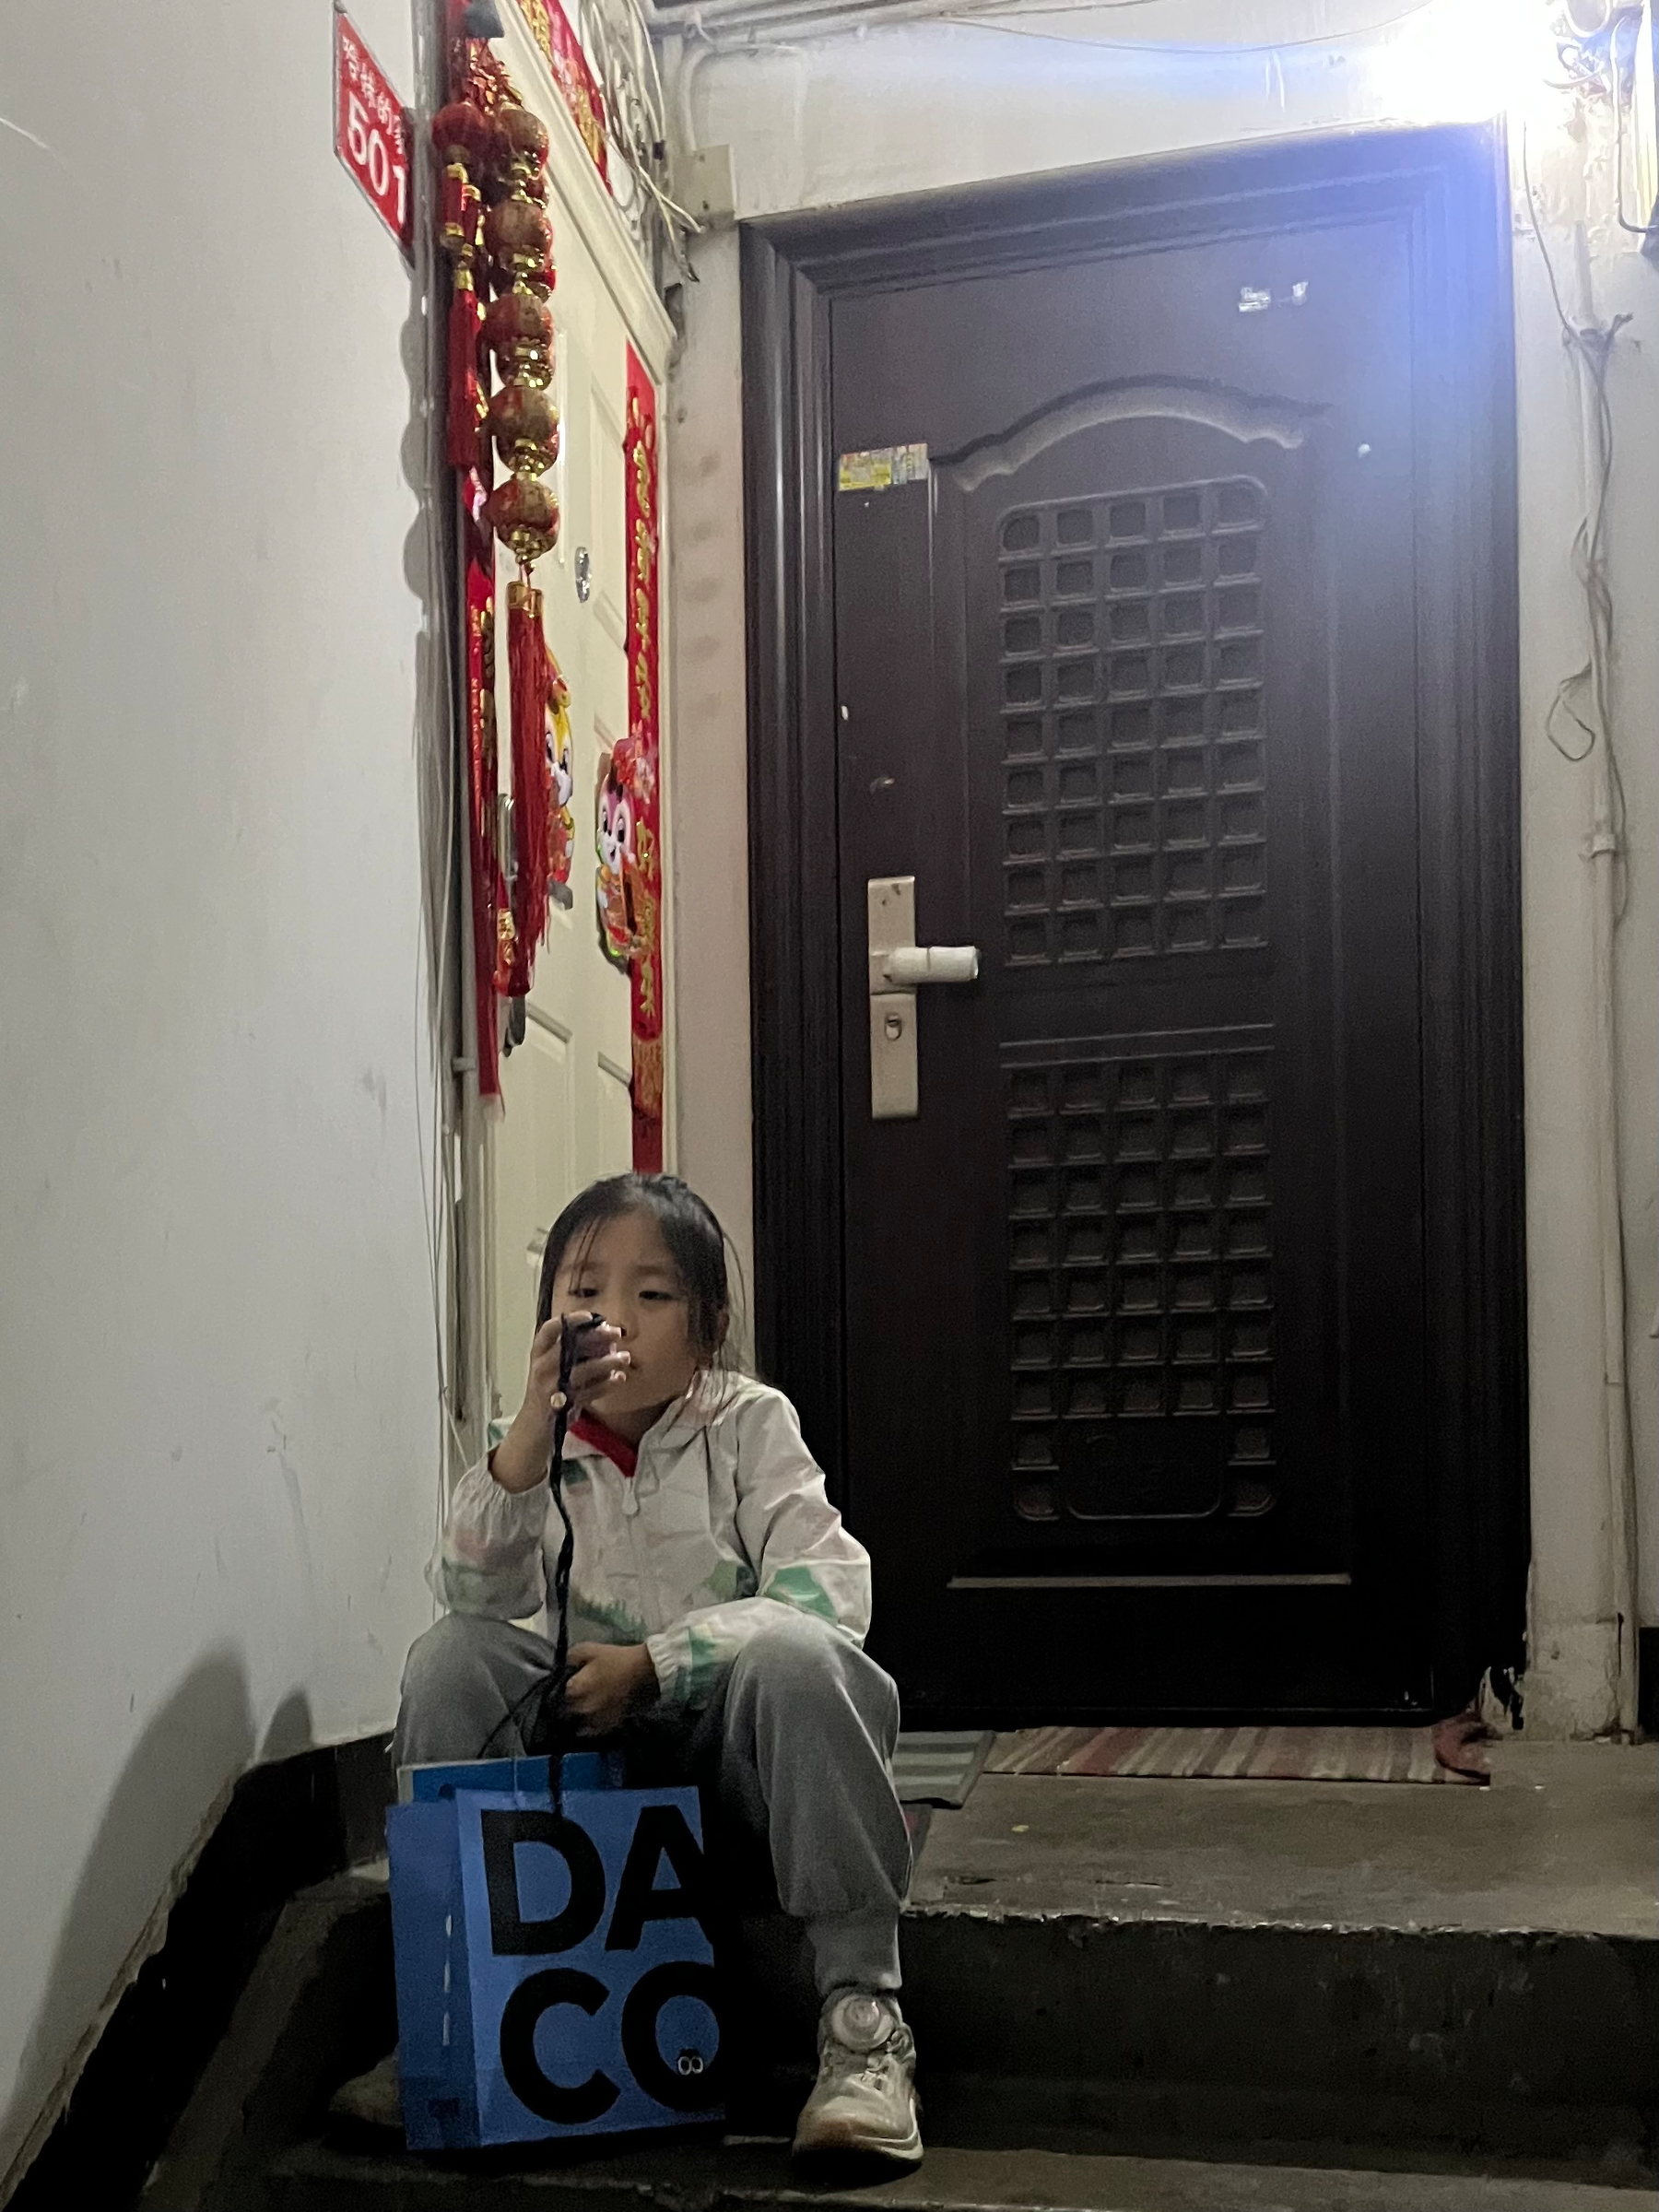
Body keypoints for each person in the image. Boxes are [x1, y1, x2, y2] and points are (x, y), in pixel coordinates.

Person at [394, 1171, 922, 2171]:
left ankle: (863, 2025)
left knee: (799, 1656)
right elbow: (468, 1589)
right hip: (591, 1794)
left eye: (654, 1293)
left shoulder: (747, 1425)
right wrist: (521, 1442)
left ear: (708, 1326)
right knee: (452, 1655)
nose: (614, 1317)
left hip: (739, 1785)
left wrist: (658, 1664)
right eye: (585, 1289)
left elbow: (828, 1594)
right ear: (550, 1313)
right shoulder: (537, 1450)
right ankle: (447, 2009)